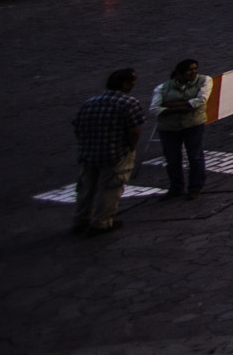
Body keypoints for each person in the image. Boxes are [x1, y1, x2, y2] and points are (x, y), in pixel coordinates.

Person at [71, 68, 144, 236]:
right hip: (115, 154)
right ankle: (102, 222)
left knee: (86, 188)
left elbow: (77, 126)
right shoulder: (129, 103)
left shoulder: (90, 102)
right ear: (125, 84)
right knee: (110, 188)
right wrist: (131, 148)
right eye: (132, 81)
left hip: (88, 153)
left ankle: (80, 220)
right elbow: (134, 131)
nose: (134, 84)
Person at [151, 58, 212, 199]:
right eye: (190, 69)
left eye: (195, 68)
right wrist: (184, 106)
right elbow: (154, 108)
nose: (194, 72)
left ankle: (195, 187)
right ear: (179, 73)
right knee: (172, 158)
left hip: (193, 124)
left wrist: (170, 105)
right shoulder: (163, 88)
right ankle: (176, 186)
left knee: (195, 157)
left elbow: (200, 100)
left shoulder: (204, 80)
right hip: (169, 127)